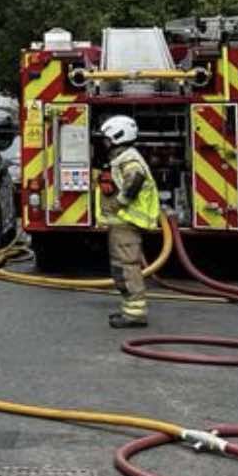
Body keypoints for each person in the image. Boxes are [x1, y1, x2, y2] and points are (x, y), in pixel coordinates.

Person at [96, 115, 160, 329]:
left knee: (127, 266)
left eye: (106, 138)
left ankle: (135, 314)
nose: (104, 142)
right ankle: (130, 310)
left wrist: (119, 203)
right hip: (122, 223)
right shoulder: (123, 157)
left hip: (127, 222)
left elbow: (135, 179)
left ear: (116, 136)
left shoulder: (129, 159)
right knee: (121, 267)